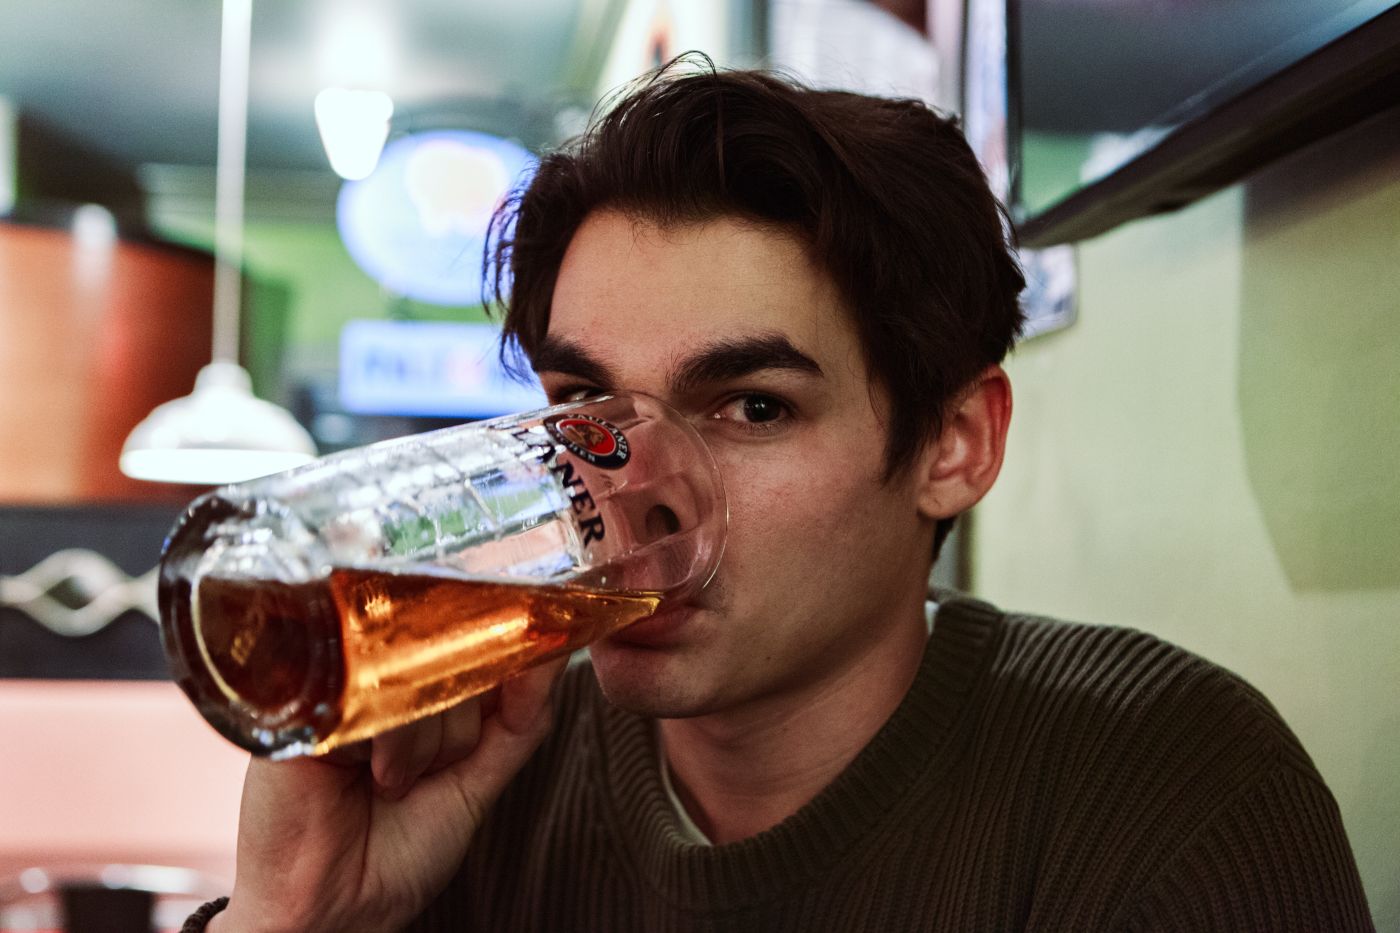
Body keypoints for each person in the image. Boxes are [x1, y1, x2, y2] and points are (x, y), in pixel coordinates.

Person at [187, 63, 1373, 932]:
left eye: (749, 406)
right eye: (583, 408)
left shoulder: (1159, 792)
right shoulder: (477, 773)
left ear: (951, 444)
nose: (631, 491)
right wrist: (293, 919)